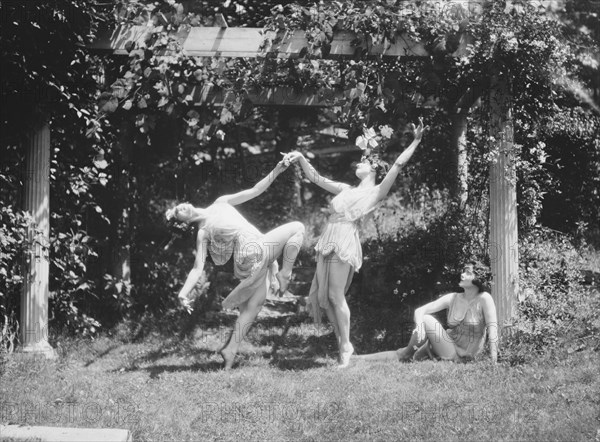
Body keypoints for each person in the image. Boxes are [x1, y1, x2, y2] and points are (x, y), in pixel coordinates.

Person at [284, 118, 427, 367]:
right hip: (328, 237)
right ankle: (343, 344)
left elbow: (398, 163)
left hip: (343, 240)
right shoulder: (345, 189)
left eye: (364, 162)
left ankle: (346, 346)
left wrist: (415, 140)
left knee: (336, 295)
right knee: (325, 298)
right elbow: (317, 178)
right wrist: (300, 158)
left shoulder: (376, 192)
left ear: (372, 169)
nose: (358, 163)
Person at [166, 158, 305, 369]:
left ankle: (230, 350)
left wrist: (277, 169)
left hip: (250, 256)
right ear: (183, 223)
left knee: (254, 307)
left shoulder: (221, 202)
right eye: (178, 212)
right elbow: (197, 267)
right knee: (297, 227)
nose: (181, 207)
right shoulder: (203, 231)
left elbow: (256, 190)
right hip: (249, 254)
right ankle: (286, 274)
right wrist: (183, 293)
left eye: (179, 206)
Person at [354, 263, 499, 364]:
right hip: (446, 345)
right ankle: (358, 359)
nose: (462, 274)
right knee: (404, 353)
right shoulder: (454, 297)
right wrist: (420, 326)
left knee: (426, 321)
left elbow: (493, 330)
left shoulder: (484, 299)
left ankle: (415, 353)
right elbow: (420, 310)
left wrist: (493, 362)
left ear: (477, 277)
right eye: (463, 271)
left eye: (467, 272)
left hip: (462, 355)